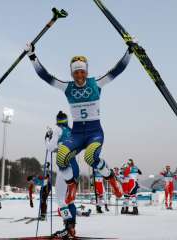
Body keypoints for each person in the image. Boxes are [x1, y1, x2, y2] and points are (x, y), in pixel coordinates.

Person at [27, 38, 134, 237]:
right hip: (76, 134)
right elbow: (45, 76)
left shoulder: (96, 83)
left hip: (94, 132)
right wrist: (32, 56)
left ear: (86, 71)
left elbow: (117, 70)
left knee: (90, 158)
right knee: (61, 159)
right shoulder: (67, 87)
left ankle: (111, 179)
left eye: (82, 71)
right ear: (72, 73)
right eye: (76, 71)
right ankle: (71, 185)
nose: (79, 75)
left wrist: (130, 52)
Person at [45, 111, 79, 238]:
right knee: (70, 200)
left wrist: (47, 138)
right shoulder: (71, 131)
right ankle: (72, 229)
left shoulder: (57, 130)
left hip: (65, 167)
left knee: (61, 199)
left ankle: (67, 228)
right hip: (75, 167)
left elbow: (50, 147)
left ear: (57, 120)